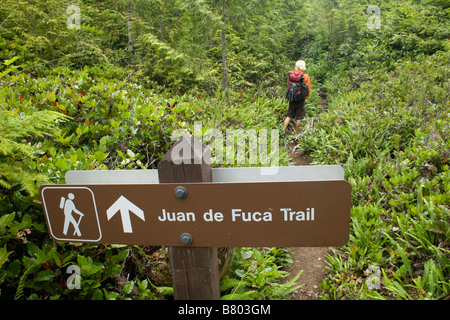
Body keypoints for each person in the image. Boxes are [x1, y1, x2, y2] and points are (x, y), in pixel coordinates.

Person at [283, 60, 311, 134]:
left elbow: (288, 86)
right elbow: (308, 89)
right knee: (299, 117)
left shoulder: (291, 75)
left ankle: (282, 130)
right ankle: (296, 132)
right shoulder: (305, 76)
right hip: (301, 99)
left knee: (289, 115)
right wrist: (305, 97)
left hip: (292, 98)